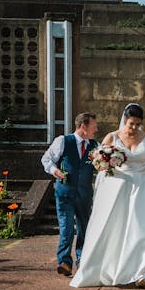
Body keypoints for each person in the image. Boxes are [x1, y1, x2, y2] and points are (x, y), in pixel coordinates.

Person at [70, 103, 145, 288]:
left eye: (137, 124)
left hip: (144, 187)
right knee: (117, 230)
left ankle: (144, 273)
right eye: (131, 123)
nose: (134, 128)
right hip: (118, 188)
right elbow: (98, 161)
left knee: (144, 229)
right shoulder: (112, 137)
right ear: (125, 118)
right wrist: (103, 162)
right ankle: (116, 268)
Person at [41, 112, 99, 277]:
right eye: (93, 125)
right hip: (65, 192)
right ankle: (65, 262)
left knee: (84, 228)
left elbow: (102, 166)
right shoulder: (63, 141)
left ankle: (82, 262)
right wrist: (55, 171)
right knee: (66, 228)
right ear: (83, 126)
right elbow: (46, 159)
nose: (96, 129)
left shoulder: (95, 145)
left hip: (85, 193)